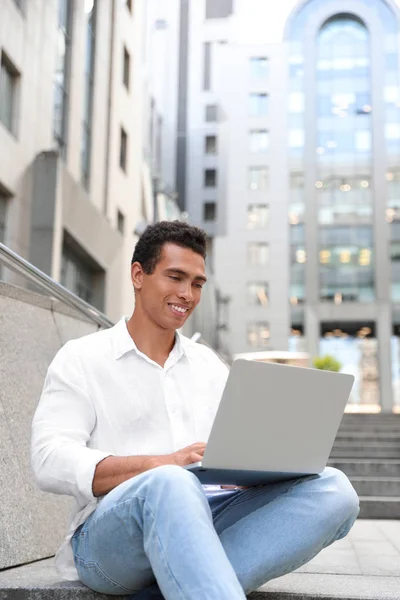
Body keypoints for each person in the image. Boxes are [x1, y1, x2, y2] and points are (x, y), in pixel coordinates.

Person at [31, 220, 359, 600]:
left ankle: (184, 582)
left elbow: (236, 449)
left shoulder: (209, 367)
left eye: (198, 283)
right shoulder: (82, 358)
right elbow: (48, 460)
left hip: (210, 513)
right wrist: (162, 463)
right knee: (172, 482)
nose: (187, 294)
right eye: (175, 277)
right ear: (138, 275)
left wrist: (269, 463)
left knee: (336, 489)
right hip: (109, 538)